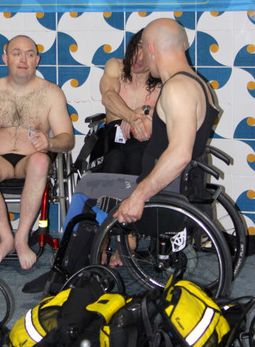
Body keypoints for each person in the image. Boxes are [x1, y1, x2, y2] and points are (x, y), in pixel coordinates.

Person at [23, 18, 219, 292]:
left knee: (87, 188)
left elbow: (180, 154)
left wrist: (137, 196)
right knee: (101, 176)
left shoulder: (177, 89)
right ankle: (81, 261)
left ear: (151, 49)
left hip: (161, 195)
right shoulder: (196, 84)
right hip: (171, 186)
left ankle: (66, 270)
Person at [0, 34, 75, 270]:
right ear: (5, 59)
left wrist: (50, 143)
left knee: (41, 162)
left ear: (37, 60)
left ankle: (21, 237)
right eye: (17, 53)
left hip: (31, 159)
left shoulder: (52, 93)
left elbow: (67, 139)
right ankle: (5, 238)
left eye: (30, 54)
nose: (23, 60)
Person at [87, 28, 161, 175]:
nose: (140, 58)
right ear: (131, 45)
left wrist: (144, 110)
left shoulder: (163, 81)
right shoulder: (115, 66)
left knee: (135, 158)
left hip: (145, 140)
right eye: (139, 47)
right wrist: (132, 117)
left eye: (147, 54)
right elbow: (108, 96)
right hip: (113, 136)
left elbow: (172, 114)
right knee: (115, 159)